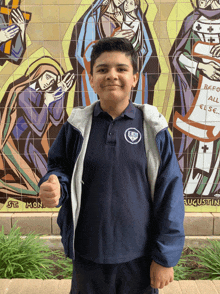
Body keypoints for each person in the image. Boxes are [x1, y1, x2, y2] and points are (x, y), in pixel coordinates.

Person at [39, 37, 185, 294]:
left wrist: (164, 257)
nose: (112, 76)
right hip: (87, 257)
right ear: (92, 79)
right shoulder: (76, 128)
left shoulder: (154, 129)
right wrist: (54, 186)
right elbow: (59, 169)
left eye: (121, 69)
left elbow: (170, 194)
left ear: (135, 78)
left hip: (139, 261)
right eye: (102, 69)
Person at [0, 56, 74, 202]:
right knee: (37, 187)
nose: (49, 82)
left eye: (53, 81)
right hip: (17, 146)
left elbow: (57, 118)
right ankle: (2, 185)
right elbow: (38, 127)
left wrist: (61, 94)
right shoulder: (23, 94)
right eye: (47, 77)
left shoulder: (44, 94)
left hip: (33, 144)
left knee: (45, 182)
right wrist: (47, 101)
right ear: (38, 74)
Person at [169, 0, 220, 197]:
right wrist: (200, 67)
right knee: (198, 142)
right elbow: (176, 55)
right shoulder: (193, 20)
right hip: (199, 96)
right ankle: (194, 186)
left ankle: (215, 186)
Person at [68, 0, 160, 106]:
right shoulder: (93, 19)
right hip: (102, 85)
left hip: (126, 83)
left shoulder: (132, 17)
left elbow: (146, 52)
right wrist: (114, 39)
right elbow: (85, 54)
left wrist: (132, 48)